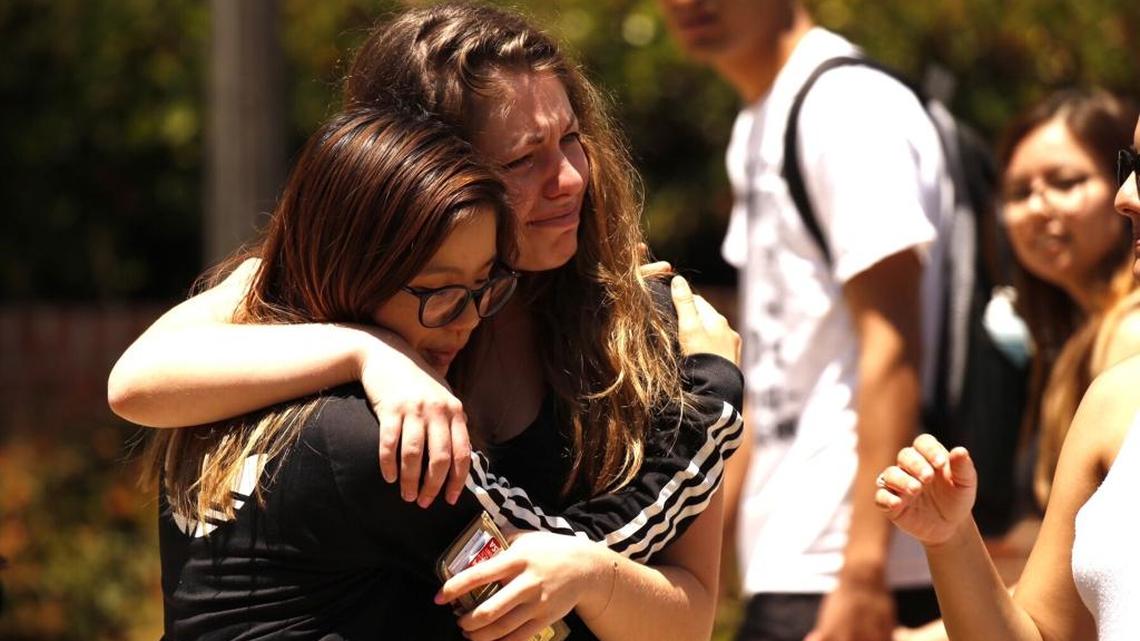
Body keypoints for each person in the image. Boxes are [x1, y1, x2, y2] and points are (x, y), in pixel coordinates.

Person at [110, 3, 743, 638]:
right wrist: (370, 352)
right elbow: (136, 382)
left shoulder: (646, 330)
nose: (571, 177)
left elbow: (683, 617)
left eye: (573, 139)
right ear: (425, 168)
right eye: (524, 159)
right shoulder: (321, 322)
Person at [655, 1, 949, 638]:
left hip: (860, 564)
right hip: (793, 557)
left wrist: (865, 571)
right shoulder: (763, 118)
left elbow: (893, 342)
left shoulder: (847, 105)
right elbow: (775, 362)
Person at [892, 88, 1140, 641]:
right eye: (1020, 191)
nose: (1039, 207)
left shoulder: (1128, 336)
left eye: (1067, 182)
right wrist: (950, 540)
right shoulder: (1083, 353)